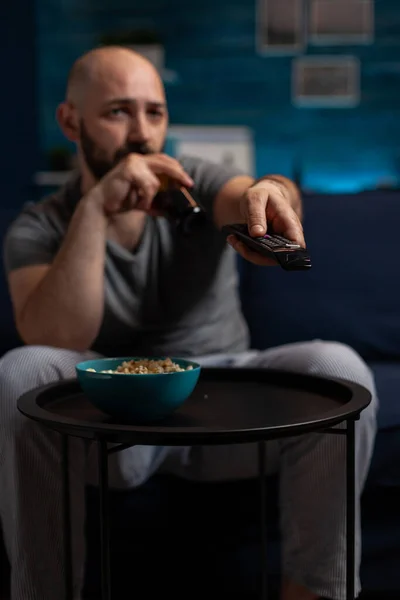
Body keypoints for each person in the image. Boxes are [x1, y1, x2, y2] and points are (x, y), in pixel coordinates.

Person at [0, 46, 377, 600]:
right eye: (118, 112)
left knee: (340, 365)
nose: (142, 134)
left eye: (155, 112)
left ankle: (314, 593)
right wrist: (96, 208)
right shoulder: (37, 227)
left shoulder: (192, 183)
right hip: (113, 418)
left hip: (226, 406)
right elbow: (58, 339)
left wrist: (272, 192)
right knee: (19, 370)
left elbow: (249, 195)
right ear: (70, 121)